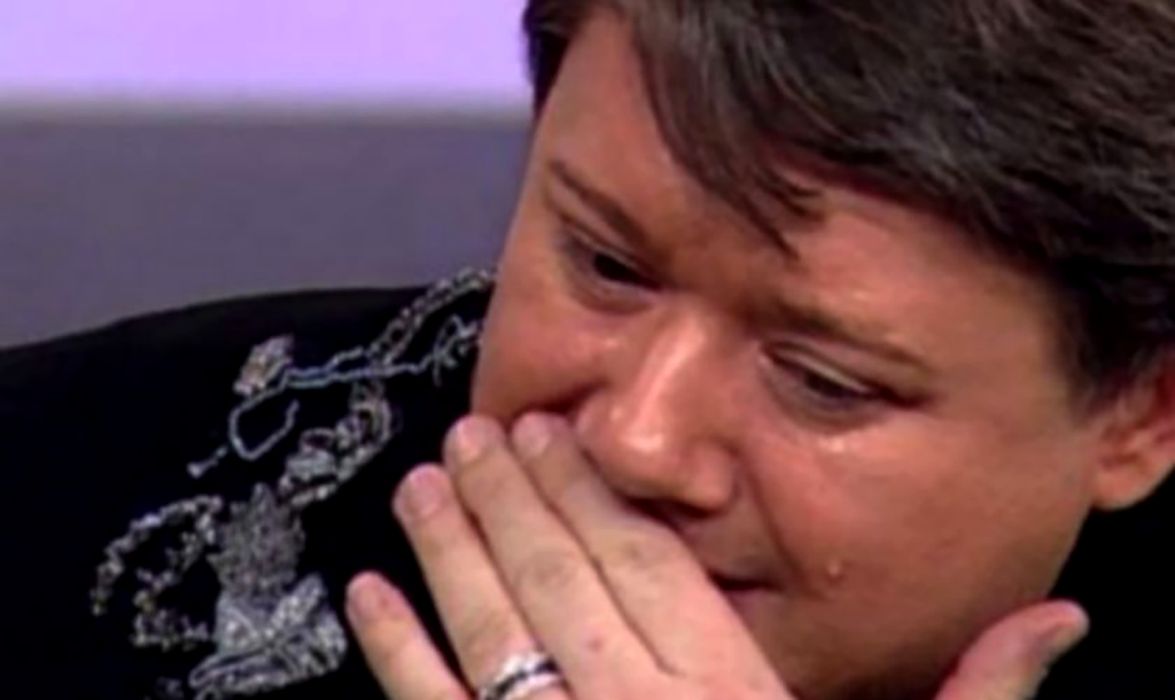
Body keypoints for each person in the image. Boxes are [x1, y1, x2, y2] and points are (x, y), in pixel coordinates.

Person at [3, 1, 1173, 699]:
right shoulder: (50, 491)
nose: (636, 438)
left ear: (1142, 411)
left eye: (822, 381)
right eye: (605, 264)